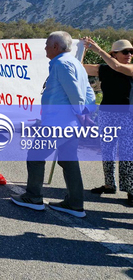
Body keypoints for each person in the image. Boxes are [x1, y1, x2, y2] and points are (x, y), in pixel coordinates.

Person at [11, 31, 95, 217]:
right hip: (71, 125)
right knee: (69, 161)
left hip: (58, 123)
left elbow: (76, 94)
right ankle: (75, 202)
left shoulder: (61, 63)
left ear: (56, 47)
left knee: (35, 156)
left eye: (48, 45)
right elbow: (88, 93)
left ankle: (33, 197)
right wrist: (86, 113)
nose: (45, 48)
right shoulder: (76, 64)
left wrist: (81, 112)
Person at [82, 37, 133, 207]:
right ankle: (109, 184)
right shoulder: (103, 69)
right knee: (107, 150)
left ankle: (131, 190)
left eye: (131, 52)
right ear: (114, 53)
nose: (129, 55)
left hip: (127, 115)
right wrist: (82, 50)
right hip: (106, 114)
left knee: (127, 152)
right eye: (125, 52)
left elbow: (117, 67)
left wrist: (97, 49)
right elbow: (80, 68)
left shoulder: (130, 68)